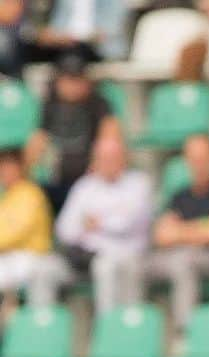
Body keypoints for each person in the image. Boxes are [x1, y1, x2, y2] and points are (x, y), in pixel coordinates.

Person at [30, 135, 153, 315]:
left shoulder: (139, 183)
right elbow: (64, 229)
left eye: (112, 158)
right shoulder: (85, 186)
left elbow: (126, 224)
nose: (107, 163)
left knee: (104, 267)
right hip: (82, 258)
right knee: (41, 269)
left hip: (123, 256)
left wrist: (98, 223)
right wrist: (92, 224)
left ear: (124, 158)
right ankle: (41, 331)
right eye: (102, 158)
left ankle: (107, 331)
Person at [145, 134, 209, 329]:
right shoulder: (180, 196)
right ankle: (134, 329)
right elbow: (161, 236)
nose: (198, 165)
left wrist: (180, 231)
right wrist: (202, 227)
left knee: (182, 262)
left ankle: (185, 332)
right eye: (193, 159)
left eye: (203, 158)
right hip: (175, 255)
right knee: (134, 264)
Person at [24, 52, 120, 212]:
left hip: (91, 180)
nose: (73, 85)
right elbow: (37, 140)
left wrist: (97, 170)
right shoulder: (51, 105)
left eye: (77, 78)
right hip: (57, 178)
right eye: (68, 79)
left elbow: (110, 137)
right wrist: (26, 172)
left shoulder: (98, 103)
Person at [0, 149, 52, 296]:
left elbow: (16, 232)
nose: (4, 172)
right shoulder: (7, 196)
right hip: (8, 257)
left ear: (20, 168)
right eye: (2, 168)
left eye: (8, 167)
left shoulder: (30, 193)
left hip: (31, 256)